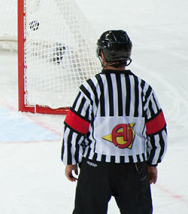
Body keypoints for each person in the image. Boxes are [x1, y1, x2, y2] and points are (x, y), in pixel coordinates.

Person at [61, 30, 168, 214]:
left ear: (102, 55)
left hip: (96, 169)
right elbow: (158, 131)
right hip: (133, 170)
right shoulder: (143, 89)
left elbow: (73, 128)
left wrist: (71, 159)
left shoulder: (90, 88)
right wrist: (152, 163)